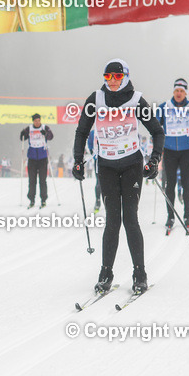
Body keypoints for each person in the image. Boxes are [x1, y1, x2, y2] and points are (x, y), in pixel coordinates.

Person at [72, 59, 164, 294]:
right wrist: (78, 160)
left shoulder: (136, 100)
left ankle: (140, 274)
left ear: (125, 77)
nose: (112, 81)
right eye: (108, 76)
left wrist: (154, 160)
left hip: (132, 165)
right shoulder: (95, 99)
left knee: (130, 219)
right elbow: (82, 130)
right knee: (112, 220)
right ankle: (106, 274)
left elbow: (157, 131)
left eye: (117, 76)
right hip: (107, 167)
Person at [154, 78, 189, 231]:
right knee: (170, 184)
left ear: (185, 93)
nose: (179, 93)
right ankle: (170, 216)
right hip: (169, 150)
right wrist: (156, 146)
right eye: (176, 90)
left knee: (186, 182)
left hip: (186, 151)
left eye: (182, 91)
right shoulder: (164, 107)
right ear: (173, 91)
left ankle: (187, 215)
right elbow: (155, 128)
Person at [19, 113, 53, 208]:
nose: (37, 122)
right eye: (35, 121)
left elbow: (51, 136)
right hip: (32, 158)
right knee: (32, 180)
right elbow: (22, 138)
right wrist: (22, 134)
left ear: (40, 120)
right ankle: (32, 199)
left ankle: (43, 199)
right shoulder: (29, 128)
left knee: (43, 180)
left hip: (43, 158)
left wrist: (46, 134)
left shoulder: (45, 127)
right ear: (33, 121)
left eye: (38, 120)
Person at [86, 129, 101, 212]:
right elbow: (90, 143)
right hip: (98, 160)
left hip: (110, 159)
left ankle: (110, 202)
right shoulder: (93, 132)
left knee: (110, 182)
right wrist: (92, 151)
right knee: (99, 182)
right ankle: (98, 201)